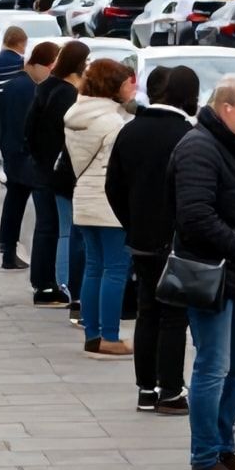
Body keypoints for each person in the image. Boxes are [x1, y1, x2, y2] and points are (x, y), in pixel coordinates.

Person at [171, 75, 235, 470]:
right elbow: (195, 217)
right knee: (213, 366)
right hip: (211, 273)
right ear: (226, 108)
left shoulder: (228, 144)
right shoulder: (199, 147)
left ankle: (225, 449)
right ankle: (205, 458)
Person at [106, 64, 197, 415]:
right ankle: (170, 390)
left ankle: (146, 389)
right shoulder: (187, 135)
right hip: (176, 239)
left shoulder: (130, 130)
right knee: (173, 315)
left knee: (148, 311)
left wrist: (133, 223)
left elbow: (113, 186)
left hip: (141, 238)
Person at [64, 57, 136, 359]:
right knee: (116, 269)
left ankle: (92, 334)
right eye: (127, 84)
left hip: (83, 196)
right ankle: (110, 336)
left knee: (93, 267)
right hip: (109, 201)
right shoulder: (113, 122)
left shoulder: (75, 114)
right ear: (113, 86)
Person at [25, 41, 88, 312]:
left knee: (46, 227)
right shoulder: (67, 94)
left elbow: (29, 128)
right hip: (58, 170)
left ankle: (43, 283)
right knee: (64, 230)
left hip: (41, 167)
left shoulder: (45, 86)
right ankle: (63, 285)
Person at [2, 42, 61, 293]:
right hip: (26, 155)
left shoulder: (14, 84)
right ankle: (13, 252)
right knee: (42, 218)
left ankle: (8, 250)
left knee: (14, 202)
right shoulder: (33, 88)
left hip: (13, 152)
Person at [0, 27, 32, 267]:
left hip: (8, 141)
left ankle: (7, 247)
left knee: (14, 197)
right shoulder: (26, 81)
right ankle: (11, 250)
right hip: (25, 150)